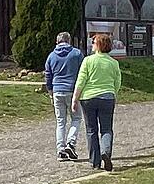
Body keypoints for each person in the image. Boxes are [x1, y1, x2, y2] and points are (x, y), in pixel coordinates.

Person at [72, 34, 121, 171]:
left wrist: (75, 99)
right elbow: (117, 82)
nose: (91, 44)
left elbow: (80, 81)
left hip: (88, 98)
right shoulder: (113, 63)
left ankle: (95, 161)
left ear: (98, 45)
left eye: (93, 42)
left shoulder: (88, 61)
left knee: (91, 130)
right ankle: (106, 151)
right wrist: (112, 93)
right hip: (107, 97)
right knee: (106, 129)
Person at [44, 32, 84, 162]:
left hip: (57, 90)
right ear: (69, 41)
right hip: (72, 90)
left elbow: (48, 76)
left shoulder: (51, 56)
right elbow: (83, 73)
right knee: (76, 118)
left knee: (60, 121)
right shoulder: (77, 54)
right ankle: (71, 143)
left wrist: (51, 92)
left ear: (57, 42)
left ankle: (60, 149)